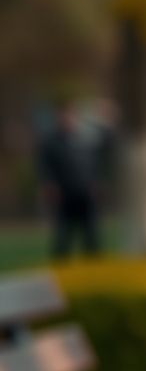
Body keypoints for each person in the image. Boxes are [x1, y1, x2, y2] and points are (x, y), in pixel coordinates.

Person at [39, 105, 100, 259]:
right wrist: (50, 186)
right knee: (63, 232)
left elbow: (93, 164)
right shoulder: (51, 143)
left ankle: (93, 261)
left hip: (84, 192)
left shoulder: (84, 140)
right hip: (64, 194)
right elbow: (45, 168)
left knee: (90, 230)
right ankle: (61, 261)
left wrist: (96, 183)